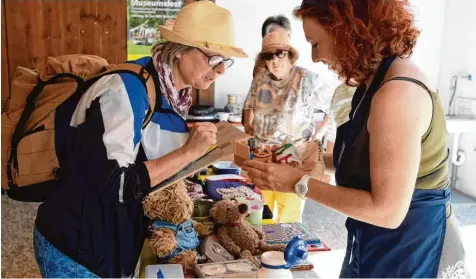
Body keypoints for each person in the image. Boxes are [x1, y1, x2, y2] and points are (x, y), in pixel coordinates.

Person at [243, 0, 469, 278]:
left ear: (347, 33)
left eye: (315, 43)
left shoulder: (397, 93)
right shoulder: (371, 84)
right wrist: (305, 162)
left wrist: (297, 183)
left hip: (410, 251)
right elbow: (373, 163)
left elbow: (387, 211)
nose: (314, 58)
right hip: (373, 242)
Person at [32, 1, 247, 278]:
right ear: (180, 51)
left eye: (225, 61)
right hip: (76, 248)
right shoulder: (126, 91)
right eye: (213, 58)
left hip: (111, 240)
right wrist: (189, 152)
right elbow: (117, 184)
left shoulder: (173, 93)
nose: (221, 71)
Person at [243, 30, 331, 223]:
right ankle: (265, 250)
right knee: (260, 214)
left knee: (289, 217)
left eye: (280, 53)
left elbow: (332, 110)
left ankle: (284, 251)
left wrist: (318, 135)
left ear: (291, 55)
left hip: (294, 160)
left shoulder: (310, 80)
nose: (274, 60)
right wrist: (250, 132)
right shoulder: (260, 80)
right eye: (268, 55)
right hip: (263, 157)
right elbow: (248, 109)